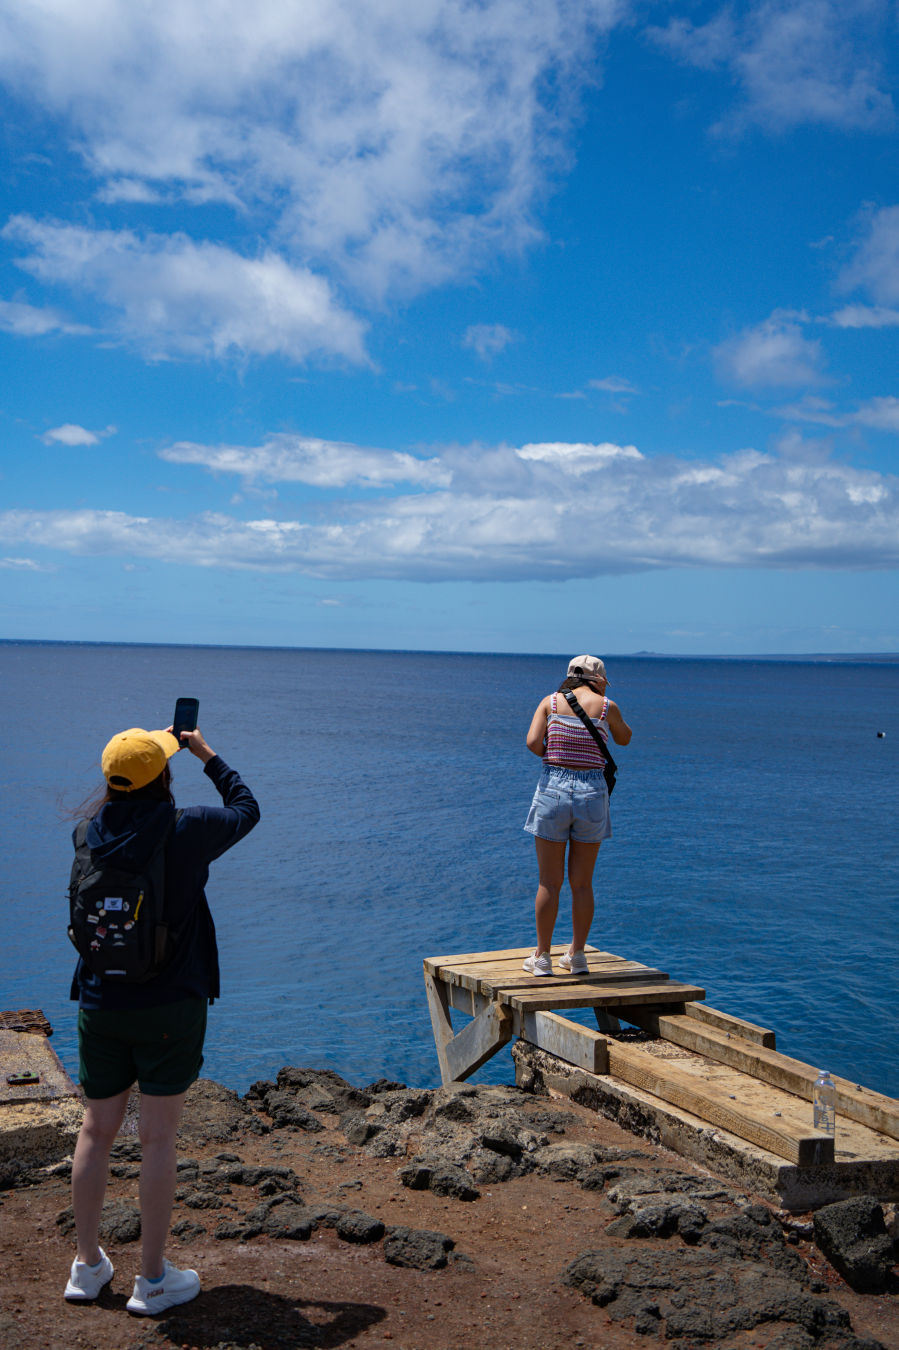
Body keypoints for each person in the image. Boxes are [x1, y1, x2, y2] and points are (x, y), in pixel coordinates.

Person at [63, 723, 259, 1315]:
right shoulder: (187, 828)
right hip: (171, 1005)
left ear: (109, 779)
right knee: (156, 1138)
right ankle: (151, 1281)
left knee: (95, 1132)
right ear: (164, 774)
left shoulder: (86, 833)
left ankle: (87, 1267)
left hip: (100, 1001)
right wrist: (207, 754)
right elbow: (247, 809)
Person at [522, 655, 631, 976]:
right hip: (592, 793)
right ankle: (577, 955)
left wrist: (556, 755)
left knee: (549, 881)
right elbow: (624, 738)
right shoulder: (607, 706)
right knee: (582, 884)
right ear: (598, 680)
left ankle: (542, 957)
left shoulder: (550, 703)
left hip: (553, 789)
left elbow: (532, 742)